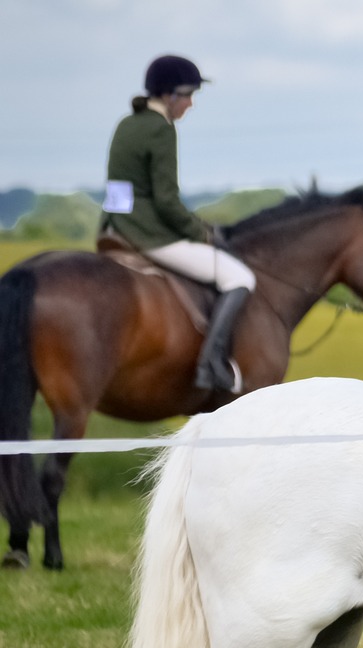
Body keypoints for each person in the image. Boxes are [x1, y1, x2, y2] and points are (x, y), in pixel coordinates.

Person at [100, 54, 257, 393]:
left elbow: (119, 189)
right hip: (148, 234)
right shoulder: (161, 129)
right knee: (240, 276)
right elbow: (167, 202)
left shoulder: (128, 123)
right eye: (188, 95)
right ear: (170, 95)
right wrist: (201, 232)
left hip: (115, 228)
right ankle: (210, 364)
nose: (190, 104)